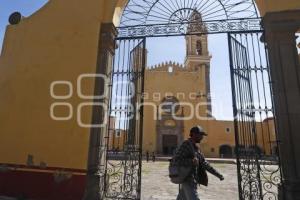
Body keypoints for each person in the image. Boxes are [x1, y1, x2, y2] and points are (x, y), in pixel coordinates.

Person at [174, 125, 224, 200]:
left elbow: (204, 163)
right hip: (187, 179)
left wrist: (217, 174)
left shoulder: (197, 148)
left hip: (193, 179)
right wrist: (191, 161)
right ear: (194, 134)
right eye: (201, 135)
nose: (202, 137)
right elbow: (176, 160)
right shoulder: (186, 144)